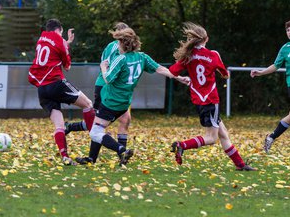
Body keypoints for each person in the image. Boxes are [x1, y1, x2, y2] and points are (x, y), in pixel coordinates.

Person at [77, 27, 190, 166]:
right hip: (124, 102)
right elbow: (161, 69)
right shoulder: (142, 57)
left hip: (111, 101)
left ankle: (121, 150)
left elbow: (107, 79)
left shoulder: (120, 59)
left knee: (95, 132)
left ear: (123, 44)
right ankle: (97, 159)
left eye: (118, 43)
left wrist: (103, 67)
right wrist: (179, 78)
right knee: (122, 121)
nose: (117, 46)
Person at [169, 22, 256, 171]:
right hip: (211, 100)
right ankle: (182, 145)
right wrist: (222, 72)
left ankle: (240, 165)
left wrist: (183, 79)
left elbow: (172, 71)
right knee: (211, 138)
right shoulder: (213, 55)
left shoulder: (188, 56)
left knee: (223, 133)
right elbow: (225, 75)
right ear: (206, 39)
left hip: (198, 101)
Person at [28, 19, 95, 166]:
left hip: (42, 89)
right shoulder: (59, 40)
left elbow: (53, 49)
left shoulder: (41, 39)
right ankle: (97, 136)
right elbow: (67, 66)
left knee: (59, 126)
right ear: (61, 29)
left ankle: (65, 156)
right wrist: (67, 45)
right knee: (88, 104)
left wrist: (66, 42)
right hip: (56, 83)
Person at [65, 22, 132, 164]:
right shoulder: (115, 47)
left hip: (113, 88)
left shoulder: (122, 48)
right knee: (99, 124)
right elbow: (110, 69)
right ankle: (113, 153)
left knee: (123, 120)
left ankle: (119, 156)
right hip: (106, 87)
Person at [250, 20, 290, 153]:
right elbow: (275, 66)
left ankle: (271, 137)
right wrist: (261, 72)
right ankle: (271, 137)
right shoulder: (285, 48)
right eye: (288, 30)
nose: (289, 32)